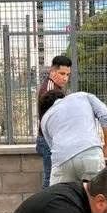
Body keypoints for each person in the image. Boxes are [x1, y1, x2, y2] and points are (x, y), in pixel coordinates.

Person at [39, 90, 107, 185]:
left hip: (61, 161)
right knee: (97, 192)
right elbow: (106, 117)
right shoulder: (83, 96)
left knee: (58, 193)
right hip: (89, 152)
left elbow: (52, 147)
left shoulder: (45, 119)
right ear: (64, 97)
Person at [35, 55, 72, 188]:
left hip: (51, 139)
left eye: (68, 74)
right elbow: (55, 119)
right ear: (52, 71)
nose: (65, 78)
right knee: (50, 179)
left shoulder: (55, 87)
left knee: (53, 178)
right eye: (62, 73)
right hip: (48, 140)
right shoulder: (50, 90)